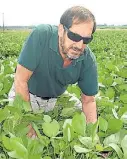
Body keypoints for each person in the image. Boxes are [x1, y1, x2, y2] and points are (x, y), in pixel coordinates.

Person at [8, 6, 98, 138]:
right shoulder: (41, 35)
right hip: (27, 94)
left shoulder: (87, 59)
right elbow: (20, 81)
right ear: (61, 30)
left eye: (86, 40)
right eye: (74, 36)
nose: (79, 45)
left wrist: (92, 140)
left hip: (57, 97)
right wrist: (26, 123)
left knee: (85, 119)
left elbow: (89, 101)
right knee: (27, 137)